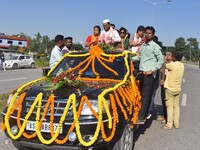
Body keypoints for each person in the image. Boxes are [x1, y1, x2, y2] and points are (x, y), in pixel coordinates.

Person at [131, 26, 164, 124]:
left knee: (146, 96)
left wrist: (152, 70)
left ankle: (141, 117)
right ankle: (138, 113)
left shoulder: (155, 47)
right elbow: (139, 57)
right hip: (141, 73)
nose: (147, 34)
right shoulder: (143, 45)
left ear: (153, 35)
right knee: (139, 95)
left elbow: (161, 60)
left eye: (149, 33)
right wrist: (128, 58)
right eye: (146, 33)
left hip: (149, 75)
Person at [163, 52, 184, 129]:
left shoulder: (172, 65)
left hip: (170, 88)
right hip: (178, 88)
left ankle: (169, 124)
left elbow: (165, 64)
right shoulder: (182, 65)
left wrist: (167, 58)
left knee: (169, 107)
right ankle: (176, 123)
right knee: (176, 106)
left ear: (174, 58)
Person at [157, 52, 173, 123]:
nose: (167, 57)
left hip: (168, 81)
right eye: (167, 55)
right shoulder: (165, 63)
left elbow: (164, 70)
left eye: (169, 56)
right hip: (164, 80)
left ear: (172, 57)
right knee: (163, 98)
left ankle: (167, 118)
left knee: (167, 100)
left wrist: (163, 79)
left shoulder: (172, 64)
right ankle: (164, 115)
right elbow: (162, 71)